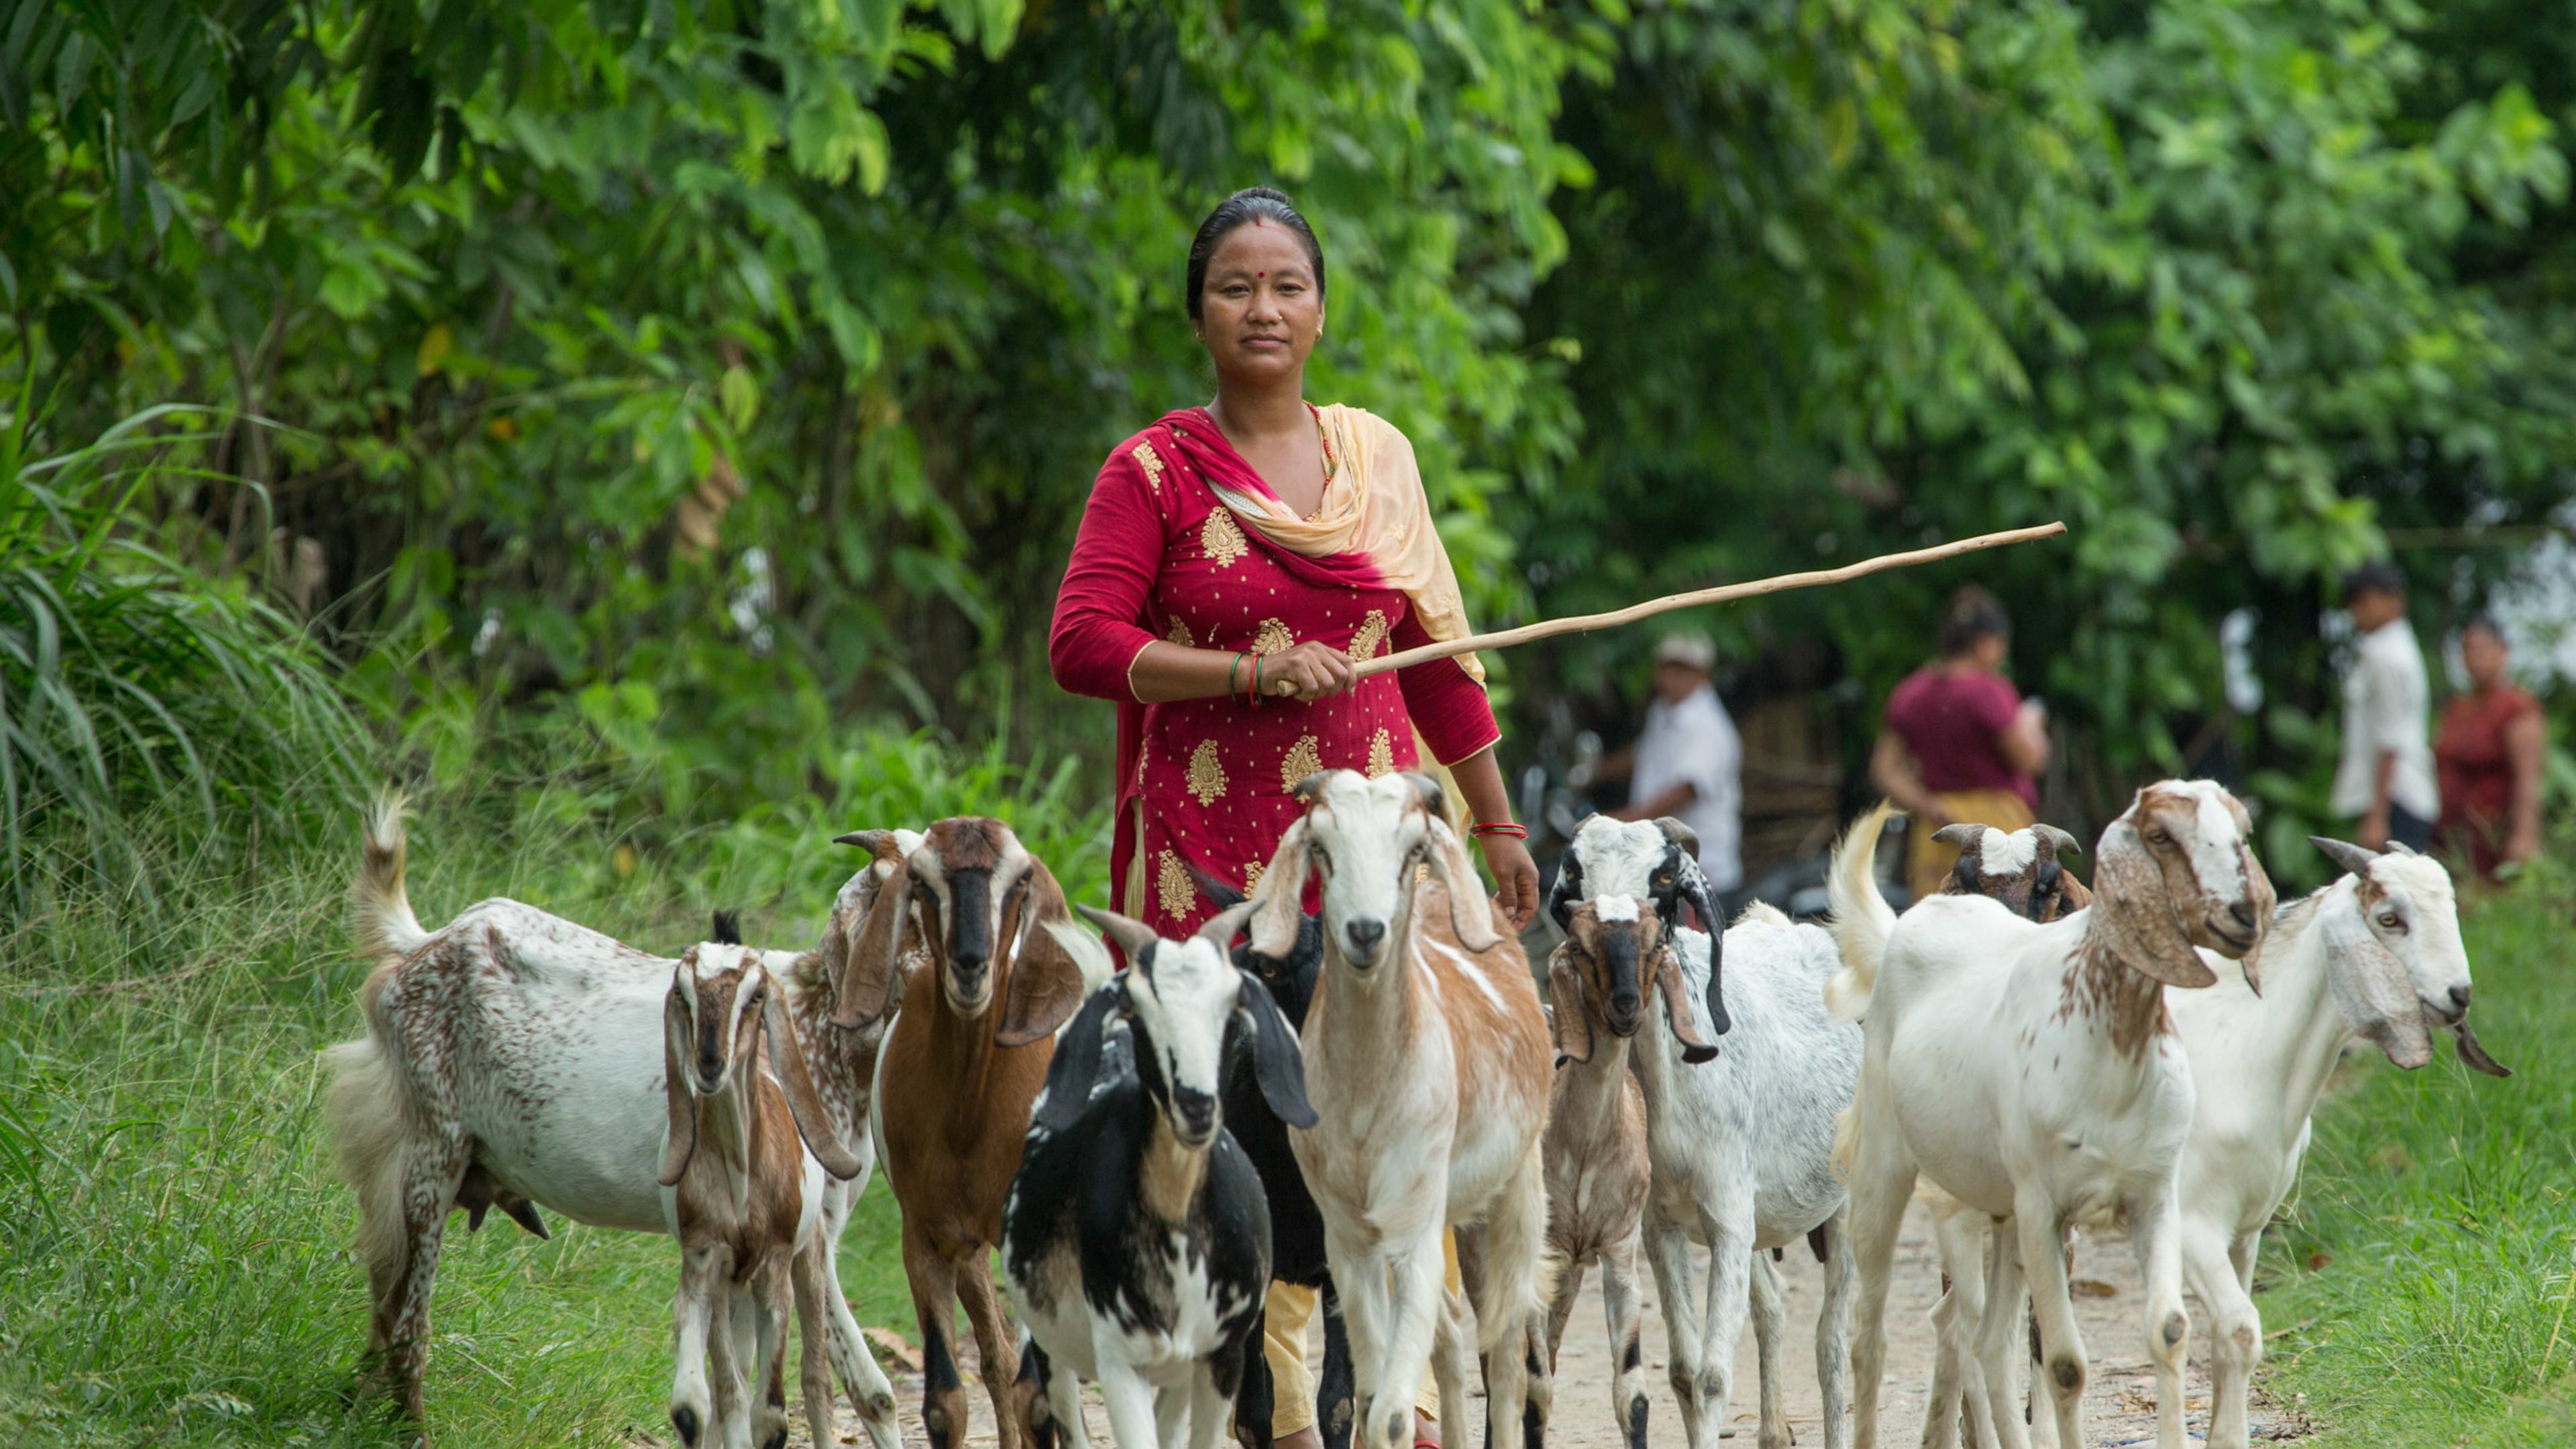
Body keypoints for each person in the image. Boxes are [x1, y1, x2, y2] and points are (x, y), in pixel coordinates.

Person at [1049, 186, 1538, 1449]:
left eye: (1287, 287)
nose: (1263, 308)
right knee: (1238, 1136)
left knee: (1394, 1126)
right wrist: (1254, 675)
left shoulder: (1378, 460)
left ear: (1322, 308)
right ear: (1198, 313)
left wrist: (1497, 827)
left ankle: (1397, 1401)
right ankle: (1262, 1410)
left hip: (1369, 859)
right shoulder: (1152, 470)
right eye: (1235, 287)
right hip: (1212, 880)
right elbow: (1084, 642)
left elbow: (1437, 658)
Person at [1869, 585, 2051, 900]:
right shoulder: (1988, 692)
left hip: (1939, 829)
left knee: (1938, 928)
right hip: (1996, 829)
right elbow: (2029, 759)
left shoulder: (1911, 693)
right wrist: (2031, 723)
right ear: (1985, 642)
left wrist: (1930, 805)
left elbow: (1884, 769)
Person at [1585, 631, 1744, 893]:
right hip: (1660, 862)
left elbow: (1682, 793)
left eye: (1682, 670)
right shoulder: (1663, 712)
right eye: (1668, 668)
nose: (1671, 678)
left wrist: (1615, 824)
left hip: (1700, 869)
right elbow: (1642, 755)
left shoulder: (1708, 728)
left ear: (1702, 674)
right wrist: (1592, 773)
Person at [2331, 561, 2440, 852]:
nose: (2357, 610)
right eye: (2353, 602)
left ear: (2394, 599)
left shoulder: (2389, 657)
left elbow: (2392, 739)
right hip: (2391, 798)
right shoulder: (2385, 650)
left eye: (2365, 600)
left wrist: (2377, 817)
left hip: (2397, 799)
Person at [2434, 616, 2544, 879]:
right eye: (2468, 649)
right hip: (2453, 836)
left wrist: (2524, 835)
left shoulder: (2518, 709)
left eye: (2482, 648)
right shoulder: (2457, 708)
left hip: (2495, 835)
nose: (2475, 657)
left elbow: (2528, 778)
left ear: (2502, 652)